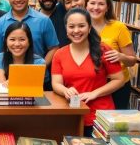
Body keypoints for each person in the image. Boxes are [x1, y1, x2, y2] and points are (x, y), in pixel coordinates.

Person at [51, 8, 124, 137]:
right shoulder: (59, 54)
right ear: (66, 29)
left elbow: (119, 79)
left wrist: (94, 93)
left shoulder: (104, 49)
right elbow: (56, 83)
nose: (76, 31)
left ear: (89, 28)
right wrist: (65, 91)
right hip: (73, 114)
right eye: (71, 26)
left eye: (81, 26)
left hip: (100, 117)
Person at [0, 0, 58, 90]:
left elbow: (54, 48)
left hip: (40, 81)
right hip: (8, 81)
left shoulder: (43, 20)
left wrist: (38, 68)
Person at [85, 0, 137, 109]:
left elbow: (132, 60)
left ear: (107, 7)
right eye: (92, 3)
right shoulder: (82, 26)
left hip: (117, 86)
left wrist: (121, 56)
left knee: (114, 124)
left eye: (101, 4)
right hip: (93, 83)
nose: (96, 7)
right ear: (86, 5)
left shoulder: (119, 27)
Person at [0, 21, 45, 86]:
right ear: (6, 41)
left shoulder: (39, 62)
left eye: (22, 39)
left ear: (29, 42)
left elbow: (33, 87)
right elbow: (2, 85)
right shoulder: (0, 58)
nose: (17, 44)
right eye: (12, 39)